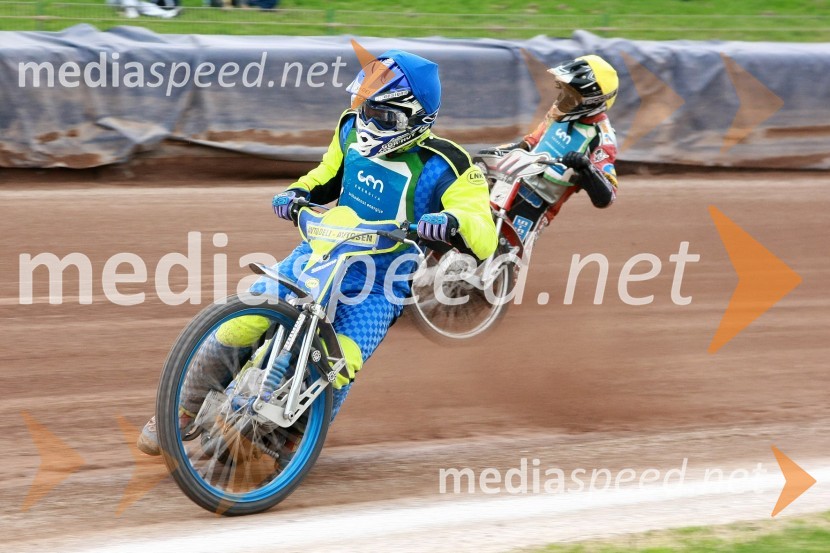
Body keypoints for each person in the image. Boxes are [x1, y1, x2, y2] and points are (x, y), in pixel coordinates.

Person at [137, 50, 497, 456]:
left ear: (411, 118)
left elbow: (483, 232)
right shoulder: (349, 131)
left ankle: (288, 443)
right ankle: (184, 409)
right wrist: (298, 193)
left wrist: (452, 222)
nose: (365, 121)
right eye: (363, 107)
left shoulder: (447, 166)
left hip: (379, 284)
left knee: (339, 363)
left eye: (379, 114)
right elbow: (325, 176)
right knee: (241, 322)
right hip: (318, 253)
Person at [480, 54, 619, 232]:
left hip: (537, 203)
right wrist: (494, 154)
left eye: (572, 94)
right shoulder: (561, 112)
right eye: (565, 90)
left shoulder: (602, 138)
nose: (563, 97)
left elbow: (607, 197)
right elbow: (531, 142)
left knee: (504, 250)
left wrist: (585, 168)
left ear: (591, 101)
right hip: (511, 180)